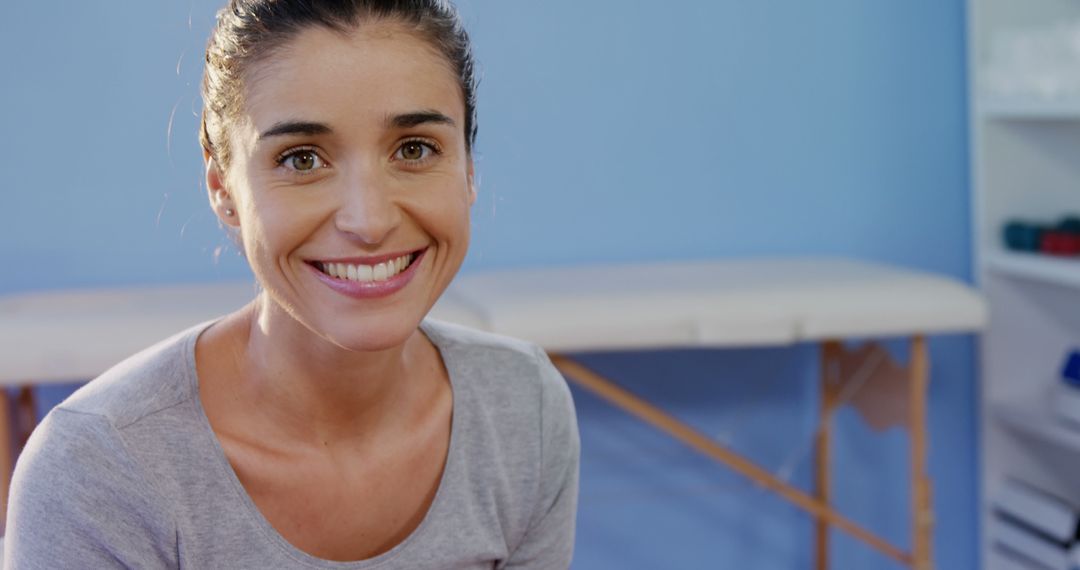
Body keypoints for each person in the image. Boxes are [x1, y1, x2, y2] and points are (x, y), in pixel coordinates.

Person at [2, 1, 580, 568]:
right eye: (302, 159)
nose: (369, 220)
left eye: (414, 149)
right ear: (223, 187)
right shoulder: (99, 471)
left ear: (469, 168)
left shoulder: (524, 409)